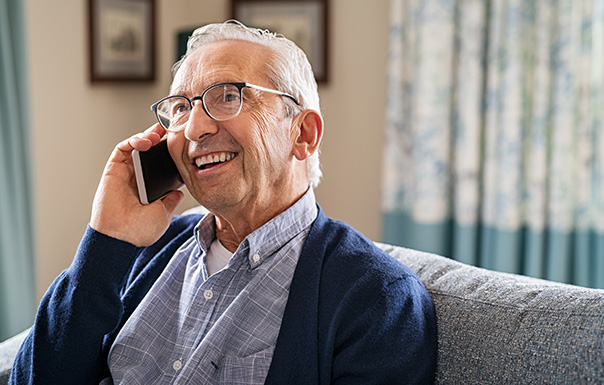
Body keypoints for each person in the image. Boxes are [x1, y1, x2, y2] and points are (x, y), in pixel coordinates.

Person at [10, 20, 437, 384]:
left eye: (228, 96)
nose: (194, 127)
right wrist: (106, 241)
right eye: (180, 107)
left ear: (303, 134)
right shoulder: (143, 249)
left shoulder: (379, 300)